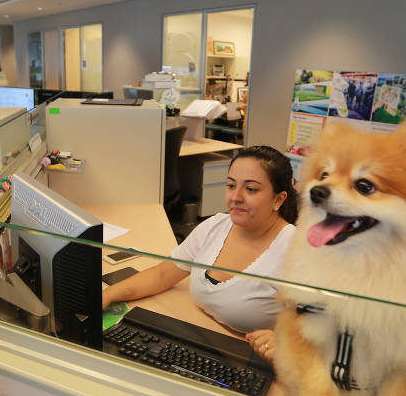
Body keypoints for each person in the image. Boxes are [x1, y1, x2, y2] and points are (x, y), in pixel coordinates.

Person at [102, 146, 298, 361]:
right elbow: (162, 275)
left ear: (278, 200)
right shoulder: (215, 225)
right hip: (201, 339)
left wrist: (283, 341)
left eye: (251, 189)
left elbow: (321, 328)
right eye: (231, 185)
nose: (236, 197)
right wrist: (107, 296)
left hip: (246, 359)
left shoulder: (296, 251)